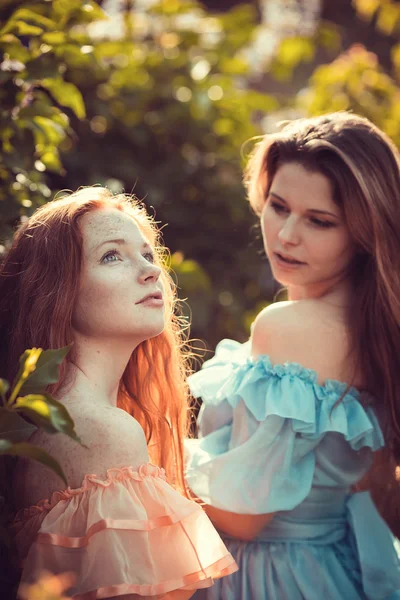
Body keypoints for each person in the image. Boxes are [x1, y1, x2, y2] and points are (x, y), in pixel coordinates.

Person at [185, 112, 400, 599]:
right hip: (338, 564)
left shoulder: (290, 327)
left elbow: (245, 516)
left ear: (367, 232)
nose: (285, 236)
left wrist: (143, 455)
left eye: (319, 221)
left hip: (270, 576)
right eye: (278, 207)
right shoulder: (376, 326)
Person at [4, 187, 237, 599]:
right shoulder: (101, 431)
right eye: (112, 256)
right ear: (56, 290)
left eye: (148, 255)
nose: (150, 272)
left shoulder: (54, 416)